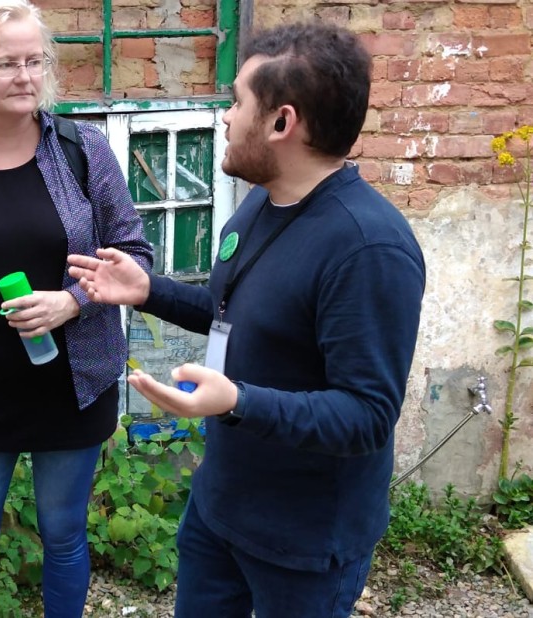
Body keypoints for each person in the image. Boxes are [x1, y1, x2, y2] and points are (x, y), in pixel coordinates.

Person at [67, 21, 425, 618]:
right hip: (221, 507)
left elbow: (366, 415)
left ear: (283, 122)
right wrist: (146, 290)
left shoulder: (368, 250)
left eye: (237, 102)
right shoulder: (262, 201)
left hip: (305, 540)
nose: (226, 118)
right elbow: (237, 318)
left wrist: (235, 401)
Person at [0, 0, 152, 616]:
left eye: (35, 61)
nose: (25, 76)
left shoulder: (82, 151)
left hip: (71, 383)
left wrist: (71, 303)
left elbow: (134, 256)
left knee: (64, 536)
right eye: (6, 63)